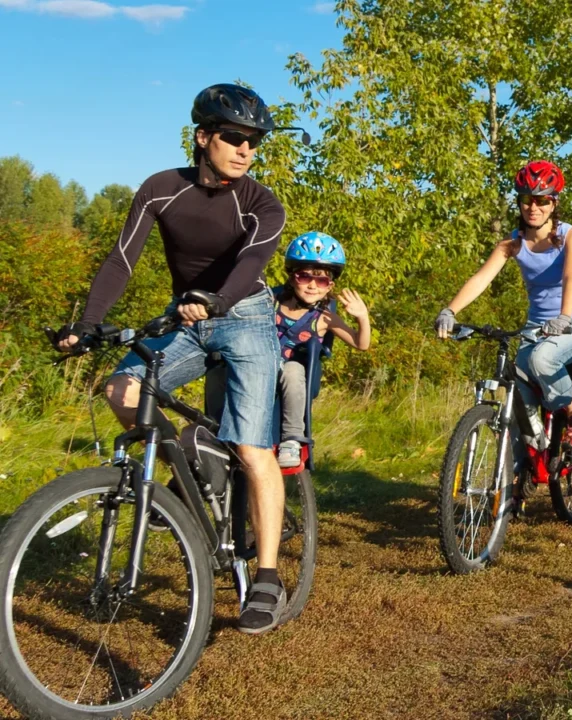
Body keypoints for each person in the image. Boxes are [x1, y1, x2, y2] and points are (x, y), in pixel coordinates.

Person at [54, 83, 298, 634]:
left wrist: (217, 299)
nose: (245, 150)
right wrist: (88, 325)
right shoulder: (159, 190)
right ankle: (188, 471)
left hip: (247, 315)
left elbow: (253, 260)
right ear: (203, 136)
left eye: (254, 141)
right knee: (122, 390)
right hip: (184, 315)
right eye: (234, 138)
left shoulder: (261, 202)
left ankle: (265, 576)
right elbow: (121, 261)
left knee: (253, 446)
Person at [435, 160, 572, 448]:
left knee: (542, 360)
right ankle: (521, 466)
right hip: (536, 327)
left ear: (554, 202)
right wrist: (450, 310)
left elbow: (570, 277)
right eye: (526, 199)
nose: (533, 207)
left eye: (541, 200)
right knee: (516, 379)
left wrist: (564, 316)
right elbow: (481, 279)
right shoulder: (512, 244)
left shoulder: (569, 236)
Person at [274, 232, 371, 467]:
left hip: (294, 376)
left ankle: (292, 439)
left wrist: (362, 317)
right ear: (291, 277)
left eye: (321, 280)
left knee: (293, 369)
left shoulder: (325, 317)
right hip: (259, 366)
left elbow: (361, 344)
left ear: (330, 286)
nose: (312, 285)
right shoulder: (271, 302)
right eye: (304, 276)